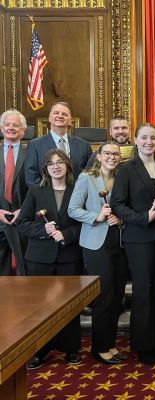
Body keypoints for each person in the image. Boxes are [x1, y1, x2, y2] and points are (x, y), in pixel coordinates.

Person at [110, 123, 155, 365]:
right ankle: (145, 346)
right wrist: (143, 218)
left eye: (153, 138)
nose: (149, 142)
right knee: (144, 290)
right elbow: (117, 203)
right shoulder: (127, 169)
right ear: (135, 141)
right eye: (144, 138)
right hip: (139, 239)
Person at [17, 149, 82, 369]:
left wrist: (67, 234)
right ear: (45, 169)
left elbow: (83, 223)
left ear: (67, 166)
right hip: (39, 258)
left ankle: (71, 348)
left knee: (69, 305)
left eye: (60, 162)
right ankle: (38, 351)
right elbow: (23, 223)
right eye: (51, 163)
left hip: (68, 256)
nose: (56, 166)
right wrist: (43, 229)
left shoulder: (77, 190)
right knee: (39, 308)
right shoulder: (36, 191)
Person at [68, 142, 129, 364]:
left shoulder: (122, 177)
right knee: (104, 297)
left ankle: (110, 344)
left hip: (120, 243)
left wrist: (121, 219)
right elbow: (73, 209)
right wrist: (97, 216)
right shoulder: (87, 178)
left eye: (115, 154)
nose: (112, 157)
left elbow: (125, 208)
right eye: (107, 153)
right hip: (96, 244)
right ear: (99, 156)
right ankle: (99, 347)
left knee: (117, 296)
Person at [25, 101, 92, 187]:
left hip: (77, 196)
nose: (60, 116)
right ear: (49, 118)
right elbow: (31, 177)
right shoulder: (35, 145)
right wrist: (46, 196)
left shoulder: (84, 145)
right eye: (56, 113)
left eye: (64, 114)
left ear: (70, 121)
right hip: (46, 196)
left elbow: (90, 174)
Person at [0, 109, 28, 276]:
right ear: (1, 129)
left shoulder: (32, 151)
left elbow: (36, 185)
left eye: (16, 125)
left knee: (23, 270)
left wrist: (24, 210)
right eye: (7, 124)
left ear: (23, 130)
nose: (11, 128)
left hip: (22, 216)